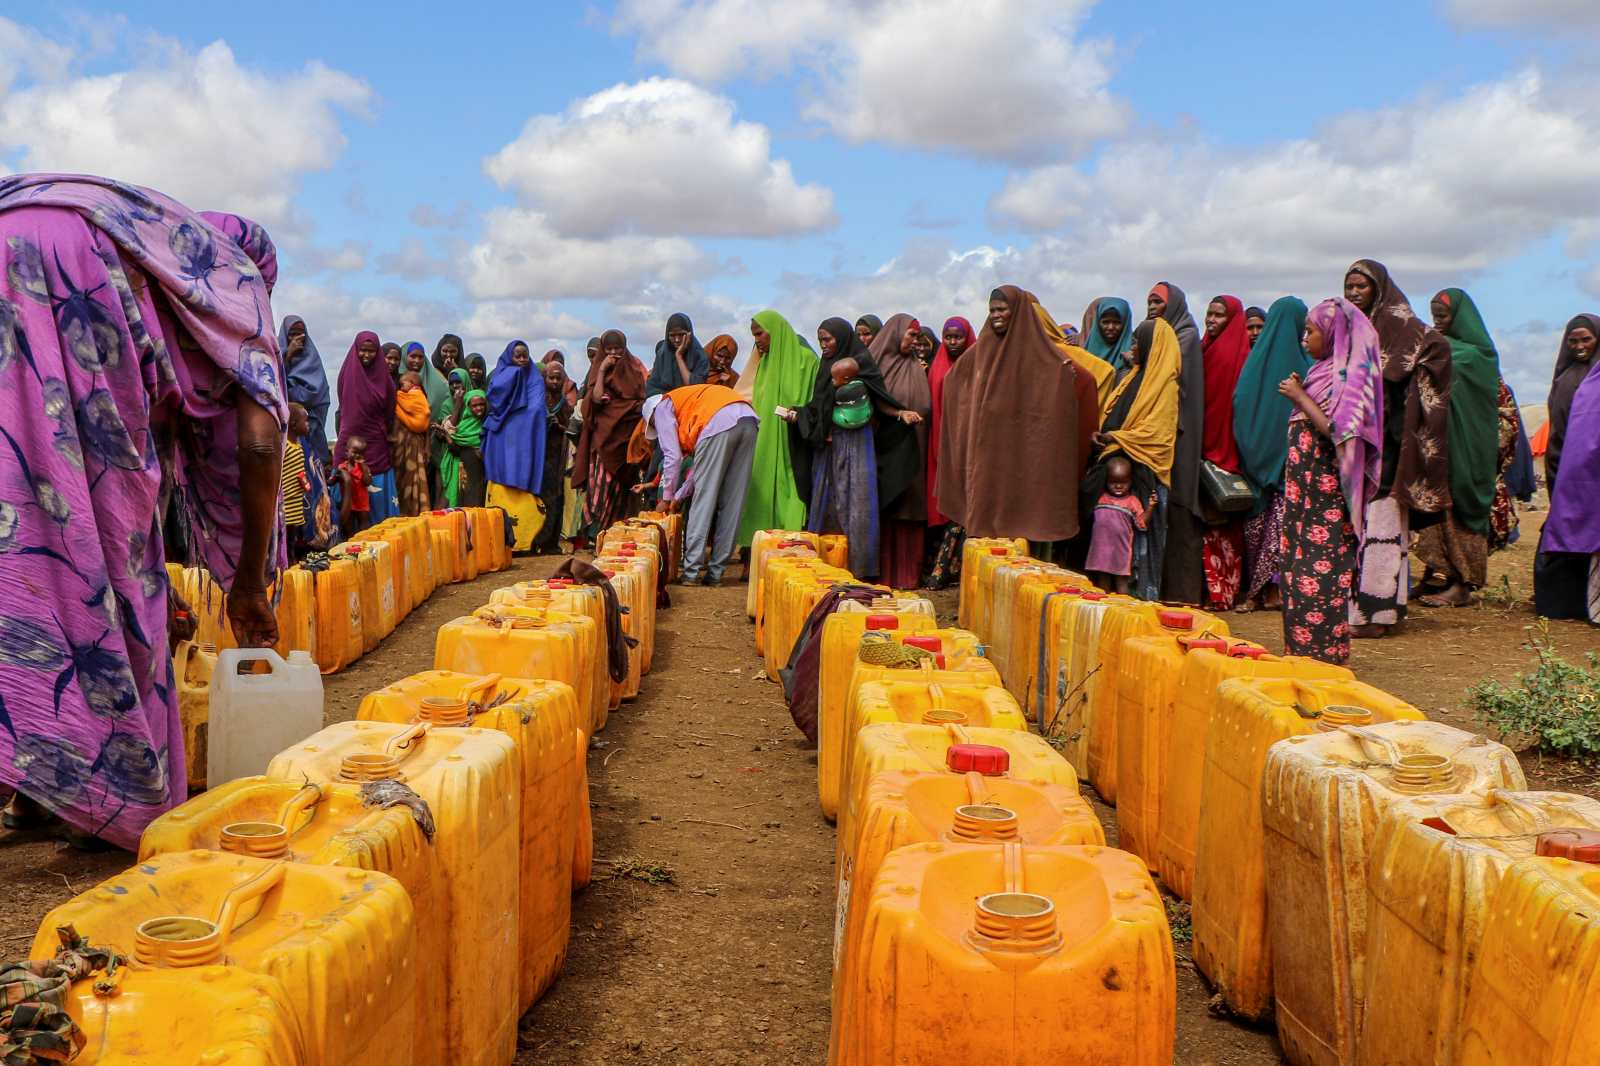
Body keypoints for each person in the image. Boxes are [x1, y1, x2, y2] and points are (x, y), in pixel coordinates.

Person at [0, 175, 286, 850]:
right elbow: (257, 442)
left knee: (18, 541)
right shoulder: (229, 286)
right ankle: (110, 786)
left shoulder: (152, 250)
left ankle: (41, 786)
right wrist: (247, 581)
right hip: (73, 275)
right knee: (93, 562)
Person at [936, 286, 1101, 558]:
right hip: (988, 454)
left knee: (1024, 524)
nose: (997, 315)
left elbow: (1083, 380)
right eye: (992, 310)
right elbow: (953, 381)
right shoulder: (981, 351)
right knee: (987, 527)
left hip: (1022, 455)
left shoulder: (1041, 353)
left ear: (1019, 312)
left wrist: (1063, 380)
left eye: (1002, 309)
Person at [1341, 259, 1454, 636]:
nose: (1354, 293)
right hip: (1360, 448)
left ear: (1379, 289)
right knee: (1366, 532)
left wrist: (1405, 391)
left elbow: (1435, 351)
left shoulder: (1405, 330)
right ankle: (1380, 610)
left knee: (1383, 528)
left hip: (1390, 448)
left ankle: (1377, 615)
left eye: (1361, 286)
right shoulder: (1352, 330)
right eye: (1350, 287)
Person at [1276, 297, 1384, 664]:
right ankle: (1300, 657)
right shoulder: (1321, 373)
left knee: (1320, 582)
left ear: (1334, 334)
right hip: (1301, 502)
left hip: (1327, 505)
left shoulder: (1353, 378)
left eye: (1311, 331)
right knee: (1295, 578)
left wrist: (1300, 398)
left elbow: (1343, 435)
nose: (1304, 339)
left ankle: (1324, 662)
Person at [786, 318, 921, 578]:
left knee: (856, 502)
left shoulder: (862, 363)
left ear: (842, 338)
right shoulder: (826, 367)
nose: (823, 345)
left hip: (857, 445)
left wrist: (899, 413)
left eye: (828, 339)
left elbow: (879, 400)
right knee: (827, 501)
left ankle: (859, 567)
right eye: (820, 340)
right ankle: (826, 563)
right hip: (828, 448)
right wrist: (798, 416)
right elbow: (818, 407)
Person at [1414, 289, 1504, 607]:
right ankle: (1439, 574)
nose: (1438, 323)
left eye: (1444, 316)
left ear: (1461, 318)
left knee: (1461, 514)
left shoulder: (1477, 355)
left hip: (1469, 449)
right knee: (1439, 512)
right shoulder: (1442, 349)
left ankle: (1463, 585)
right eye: (1435, 316)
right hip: (1443, 446)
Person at [1083, 319, 1181, 599]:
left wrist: (1117, 438)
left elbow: (1158, 435)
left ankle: (1138, 602)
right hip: (1117, 470)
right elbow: (1114, 416)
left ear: (1153, 347)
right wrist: (1102, 436)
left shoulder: (1166, 386)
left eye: (1138, 342)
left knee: (1138, 549)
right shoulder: (1131, 378)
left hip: (1143, 474)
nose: (1132, 348)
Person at [1231, 296, 1310, 612]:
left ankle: (1259, 593)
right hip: (1288, 463)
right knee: (1280, 527)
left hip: (1254, 461)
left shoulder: (1253, 365)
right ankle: (1269, 592)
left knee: (1261, 528)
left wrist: (1254, 453)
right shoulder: (1307, 366)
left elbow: (1240, 407)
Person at [643, 384, 760, 585]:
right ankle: (715, 573)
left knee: (703, 501)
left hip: (718, 421)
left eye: (655, 426)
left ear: (652, 416)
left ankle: (691, 572)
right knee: (734, 501)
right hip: (748, 420)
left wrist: (666, 498)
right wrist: (678, 496)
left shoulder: (662, 407)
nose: (660, 429)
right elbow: (698, 472)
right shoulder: (690, 403)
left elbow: (673, 456)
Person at [735, 310, 820, 549]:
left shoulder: (806, 360)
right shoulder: (765, 363)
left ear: (775, 330)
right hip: (766, 438)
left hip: (793, 438)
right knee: (760, 487)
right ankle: (757, 547)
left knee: (792, 485)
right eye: (754, 335)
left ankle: (789, 544)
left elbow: (811, 400)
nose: (757, 340)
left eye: (760, 333)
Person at [1534, 313, 1600, 620]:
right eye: (1573, 340)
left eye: (1586, 339)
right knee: (1566, 529)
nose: (1579, 346)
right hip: (1564, 467)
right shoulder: (1564, 376)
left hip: (1592, 469)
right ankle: (1565, 602)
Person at [1146, 282, 1207, 604]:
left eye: (1158, 302)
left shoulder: (1184, 337)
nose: (1153, 307)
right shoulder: (1156, 336)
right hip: (1160, 433)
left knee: (1180, 507)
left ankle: (1182, 592)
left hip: (1181, 435)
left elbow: (1169, 377)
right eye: (1149, 302)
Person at [867, 314, 934, 588]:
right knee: (888, 504)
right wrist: (897, 413)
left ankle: (907, 575)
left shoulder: (915, 366)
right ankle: (882, 573)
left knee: (910, 504)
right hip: (885, 448)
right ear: (895, 334)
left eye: (917, 337)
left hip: (914, 446)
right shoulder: (876, 366)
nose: (914, 341)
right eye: (910, 335)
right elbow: (872, 400)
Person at [1199, 295, 1254, 610]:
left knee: (1223, 523)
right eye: (1209, 313)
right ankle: (1213, 589)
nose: (1212, 320)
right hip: (1205, 446)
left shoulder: (1238, 354)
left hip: (1225, 451)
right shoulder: (1206, 348)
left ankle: (1223, 593)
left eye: (1219, 315)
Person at [573, 329, 648, 535]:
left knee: (623, 493)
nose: (614, 353)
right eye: (609, 349)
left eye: (618, 349)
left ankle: (618, 535)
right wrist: (602, 371)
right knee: (603, 489)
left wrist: (629, 407)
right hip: (604, 441)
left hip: (626, 442)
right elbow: (595, 399)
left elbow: (642, 400)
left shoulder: (634, 370)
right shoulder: (599, 369)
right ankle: (600, 535)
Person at [926, 316, 976, 588]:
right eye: (948, 337)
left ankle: (956, 572)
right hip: (943, 442)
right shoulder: (938, 367)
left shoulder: (978, 365)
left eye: (958, 337)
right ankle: (943, 570)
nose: (953, 342)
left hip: (970, 444)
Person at [483, 340, 547, 552]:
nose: (521, 360)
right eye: (516, 356)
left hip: (525, 446)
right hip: (502, 444)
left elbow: (536, 411)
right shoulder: (502, 375)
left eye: (524, 356)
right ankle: (499, 540)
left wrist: (521, 425)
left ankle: (524, 542)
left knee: (522, 493)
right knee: (501, 490)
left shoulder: (535, 381)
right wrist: (513, 376)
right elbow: (495, 399)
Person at [334, 330, 399, 522]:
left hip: (376, 444)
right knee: (346, 495)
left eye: (371, 351)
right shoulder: (347, 374)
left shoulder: (384, 378)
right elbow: (342, 403)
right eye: (363, 350)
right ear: (356, 350)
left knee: (375, 499)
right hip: (349, 441)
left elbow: (390, 408)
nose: (367, 355)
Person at [1086, 456, 1151, 595]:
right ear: (1106, 481)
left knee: (1121, 582)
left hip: (1120, 550)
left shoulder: (1132, 501)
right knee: (1102, 582)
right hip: (1101, 550)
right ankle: (1104, 610)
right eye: (1113, 482)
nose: (1119, 486)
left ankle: (1123, 610)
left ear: (1131, 482)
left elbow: (1141, 524)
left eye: (1124, 482)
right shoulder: (1100, 497)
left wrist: (1151, 507)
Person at [533, 360, 574, 554]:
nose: (555, 382)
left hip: (557, 457)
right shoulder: (537, 400)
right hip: (538, 456)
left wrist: (559, 426)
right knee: (538, 498)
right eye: (551, 378)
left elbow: (571, 429)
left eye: (559, 378)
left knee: (556, 498)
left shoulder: (564, 404)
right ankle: (535, 539)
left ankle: (550, 542)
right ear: (544, 379)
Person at [280, 315, 332, 468]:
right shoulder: (277, 358)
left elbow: (320, 394)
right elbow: (274, 383)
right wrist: (287, 356)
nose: (298, 338)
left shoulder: (312, 359)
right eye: (292, 334)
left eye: (301, 333)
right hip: (286, 427)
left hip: (312, 426)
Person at [285, 402, 333, 556]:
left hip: (297, 501)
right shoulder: (284, 447)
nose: (309, 425)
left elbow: (300, 472)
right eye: (305, 421)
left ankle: (293, 558)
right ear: (293, 424)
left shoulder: (299, 446)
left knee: (294, 534)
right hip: (286, 502)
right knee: (286, 536)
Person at [438, 370, 486, 508]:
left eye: (481, 404)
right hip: (462, 467)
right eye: (474, 405)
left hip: (479, 470)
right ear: (468, 407)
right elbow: (455, 445)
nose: (478, 408)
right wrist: (447, 435)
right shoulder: (462, 422)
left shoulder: (486, 423)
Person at [389, 371, 433, 516]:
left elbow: (424, 418)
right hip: (400, 448)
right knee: (400, 481)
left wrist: (427, 446)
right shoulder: (404, 394)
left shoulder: (413, 397)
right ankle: (401, 513)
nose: (401, 388)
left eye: (404, 385)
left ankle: (415, 513)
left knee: (415, 480)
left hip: (415, 445)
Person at [646, 312, 710, 397]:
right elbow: (652, 388)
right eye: (672, 335)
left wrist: (679, 356)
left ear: (689, 334)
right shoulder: (662, 355)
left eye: (681, 335)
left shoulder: (700, 356)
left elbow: (694, 388)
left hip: (691, 402)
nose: (677, 340)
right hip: (666, 402)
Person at [1081, 297, 1136, 371]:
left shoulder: (1135, 351)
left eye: (1116, 322)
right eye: (1105, 322)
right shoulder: (1082, 352)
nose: (1110, 327)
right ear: (1097, 323)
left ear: (1125, 324)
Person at [337, 436, 374, 535]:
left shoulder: (364, 468)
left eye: (361, 453)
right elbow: (337, 479)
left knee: (364, 524)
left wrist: (363, 468)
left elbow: (368, 482)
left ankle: (364, 541)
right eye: (354, 452)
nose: (357, 455)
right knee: (349, 525)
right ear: (347, 452)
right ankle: (350, 542)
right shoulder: (342, 467)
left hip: (362, 502)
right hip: (349, 501)